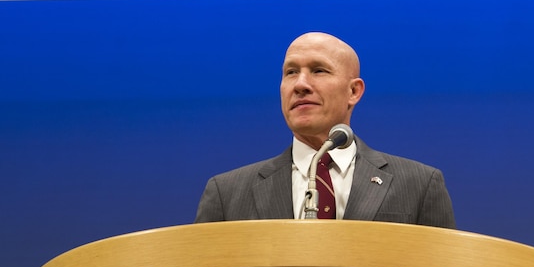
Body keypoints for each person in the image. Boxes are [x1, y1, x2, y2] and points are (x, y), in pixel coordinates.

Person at [194, 32, 455, 228]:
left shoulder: (419, 185)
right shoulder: (226, 193)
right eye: (291, 72)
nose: (301, 84)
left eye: (318, 70)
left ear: (353, 91)